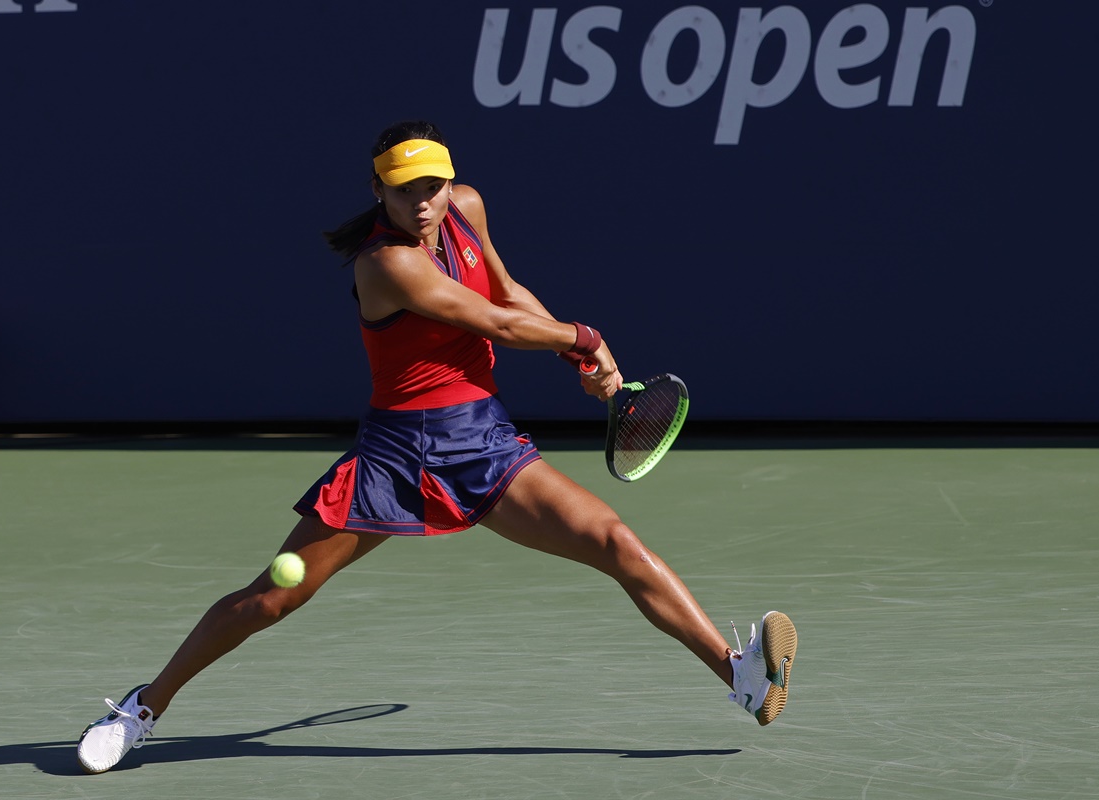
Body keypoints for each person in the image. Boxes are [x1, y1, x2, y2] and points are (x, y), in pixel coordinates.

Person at [75, 120, 798, 774]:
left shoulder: (466, 209)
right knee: (271, 599)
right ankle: (143, 707)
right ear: (378, 191)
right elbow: (489, 321)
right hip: (395, 457)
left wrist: (587, 365)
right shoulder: (384, 264)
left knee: (613, 539)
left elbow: (508, 292)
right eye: (403, 190)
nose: (422, 203)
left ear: (450, 181)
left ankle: (739, 676)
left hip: (480, 440)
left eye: (432, 186)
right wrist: (584, 337)